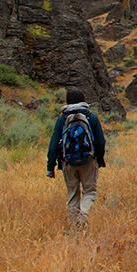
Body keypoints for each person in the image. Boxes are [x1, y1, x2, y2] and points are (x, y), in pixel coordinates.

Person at [46, 89, 106, 228]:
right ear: (83, 99)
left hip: (67, 162)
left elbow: (53, 145)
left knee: (72, 194)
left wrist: (51, 167)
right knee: (89, 191)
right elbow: (101, 141)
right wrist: (99, 159)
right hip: (88, 160)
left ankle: (73, 228)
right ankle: (84, 215)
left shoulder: (62, 119)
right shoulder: (91, 117)